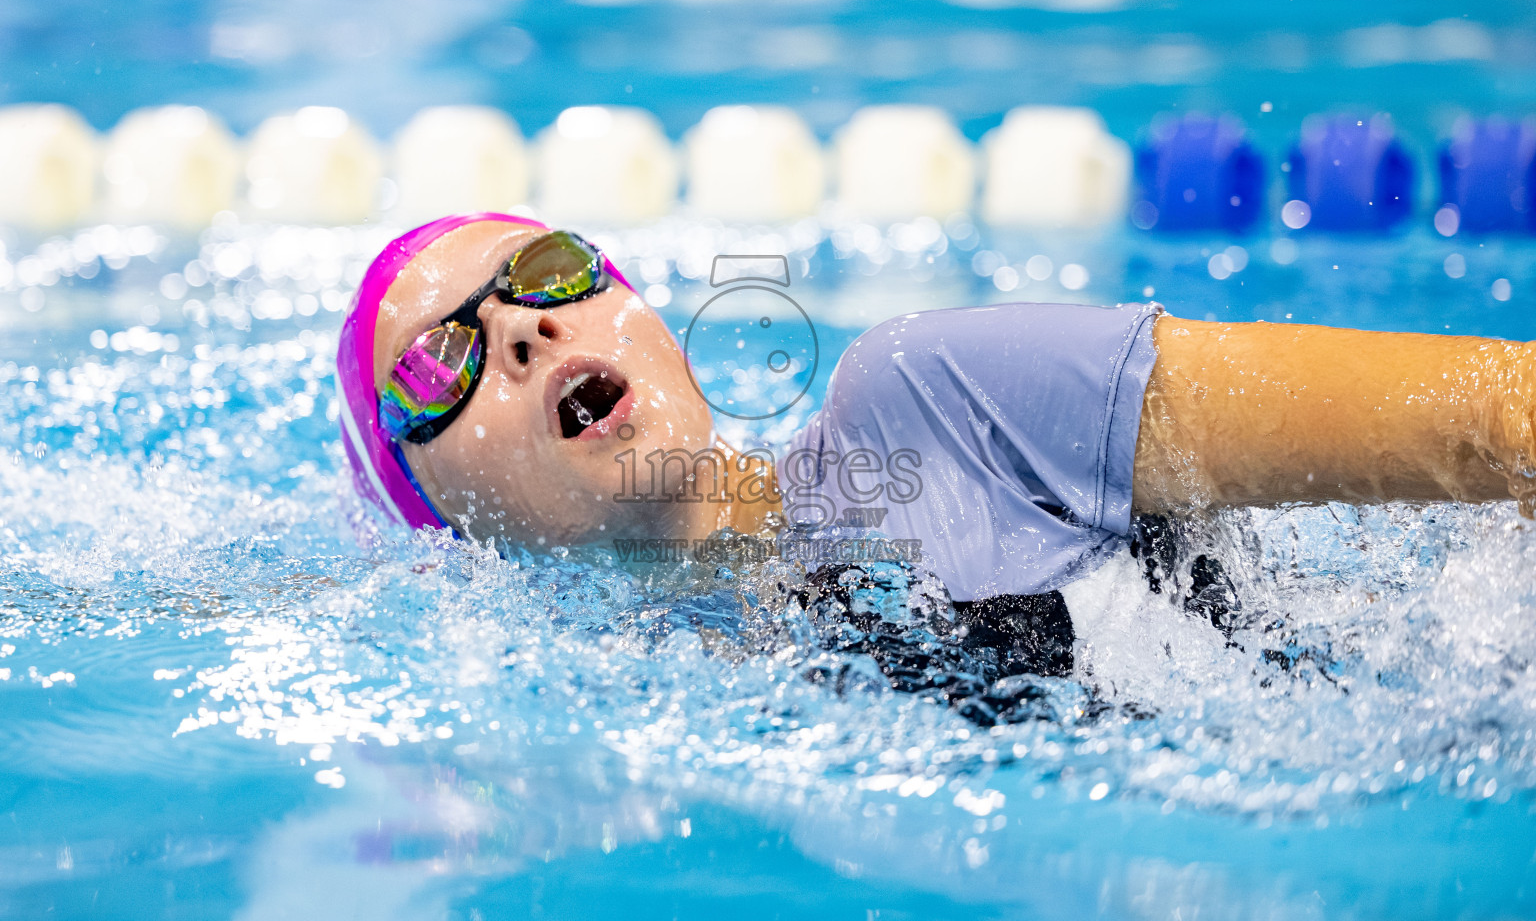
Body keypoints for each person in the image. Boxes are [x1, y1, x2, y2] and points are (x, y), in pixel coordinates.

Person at [336, 213, 1536, 677]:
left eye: (547, 271)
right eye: (437, 363)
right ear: (434, 508)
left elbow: (1502, 417)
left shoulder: (927, 399)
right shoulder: (634, 704)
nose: (527, 326)